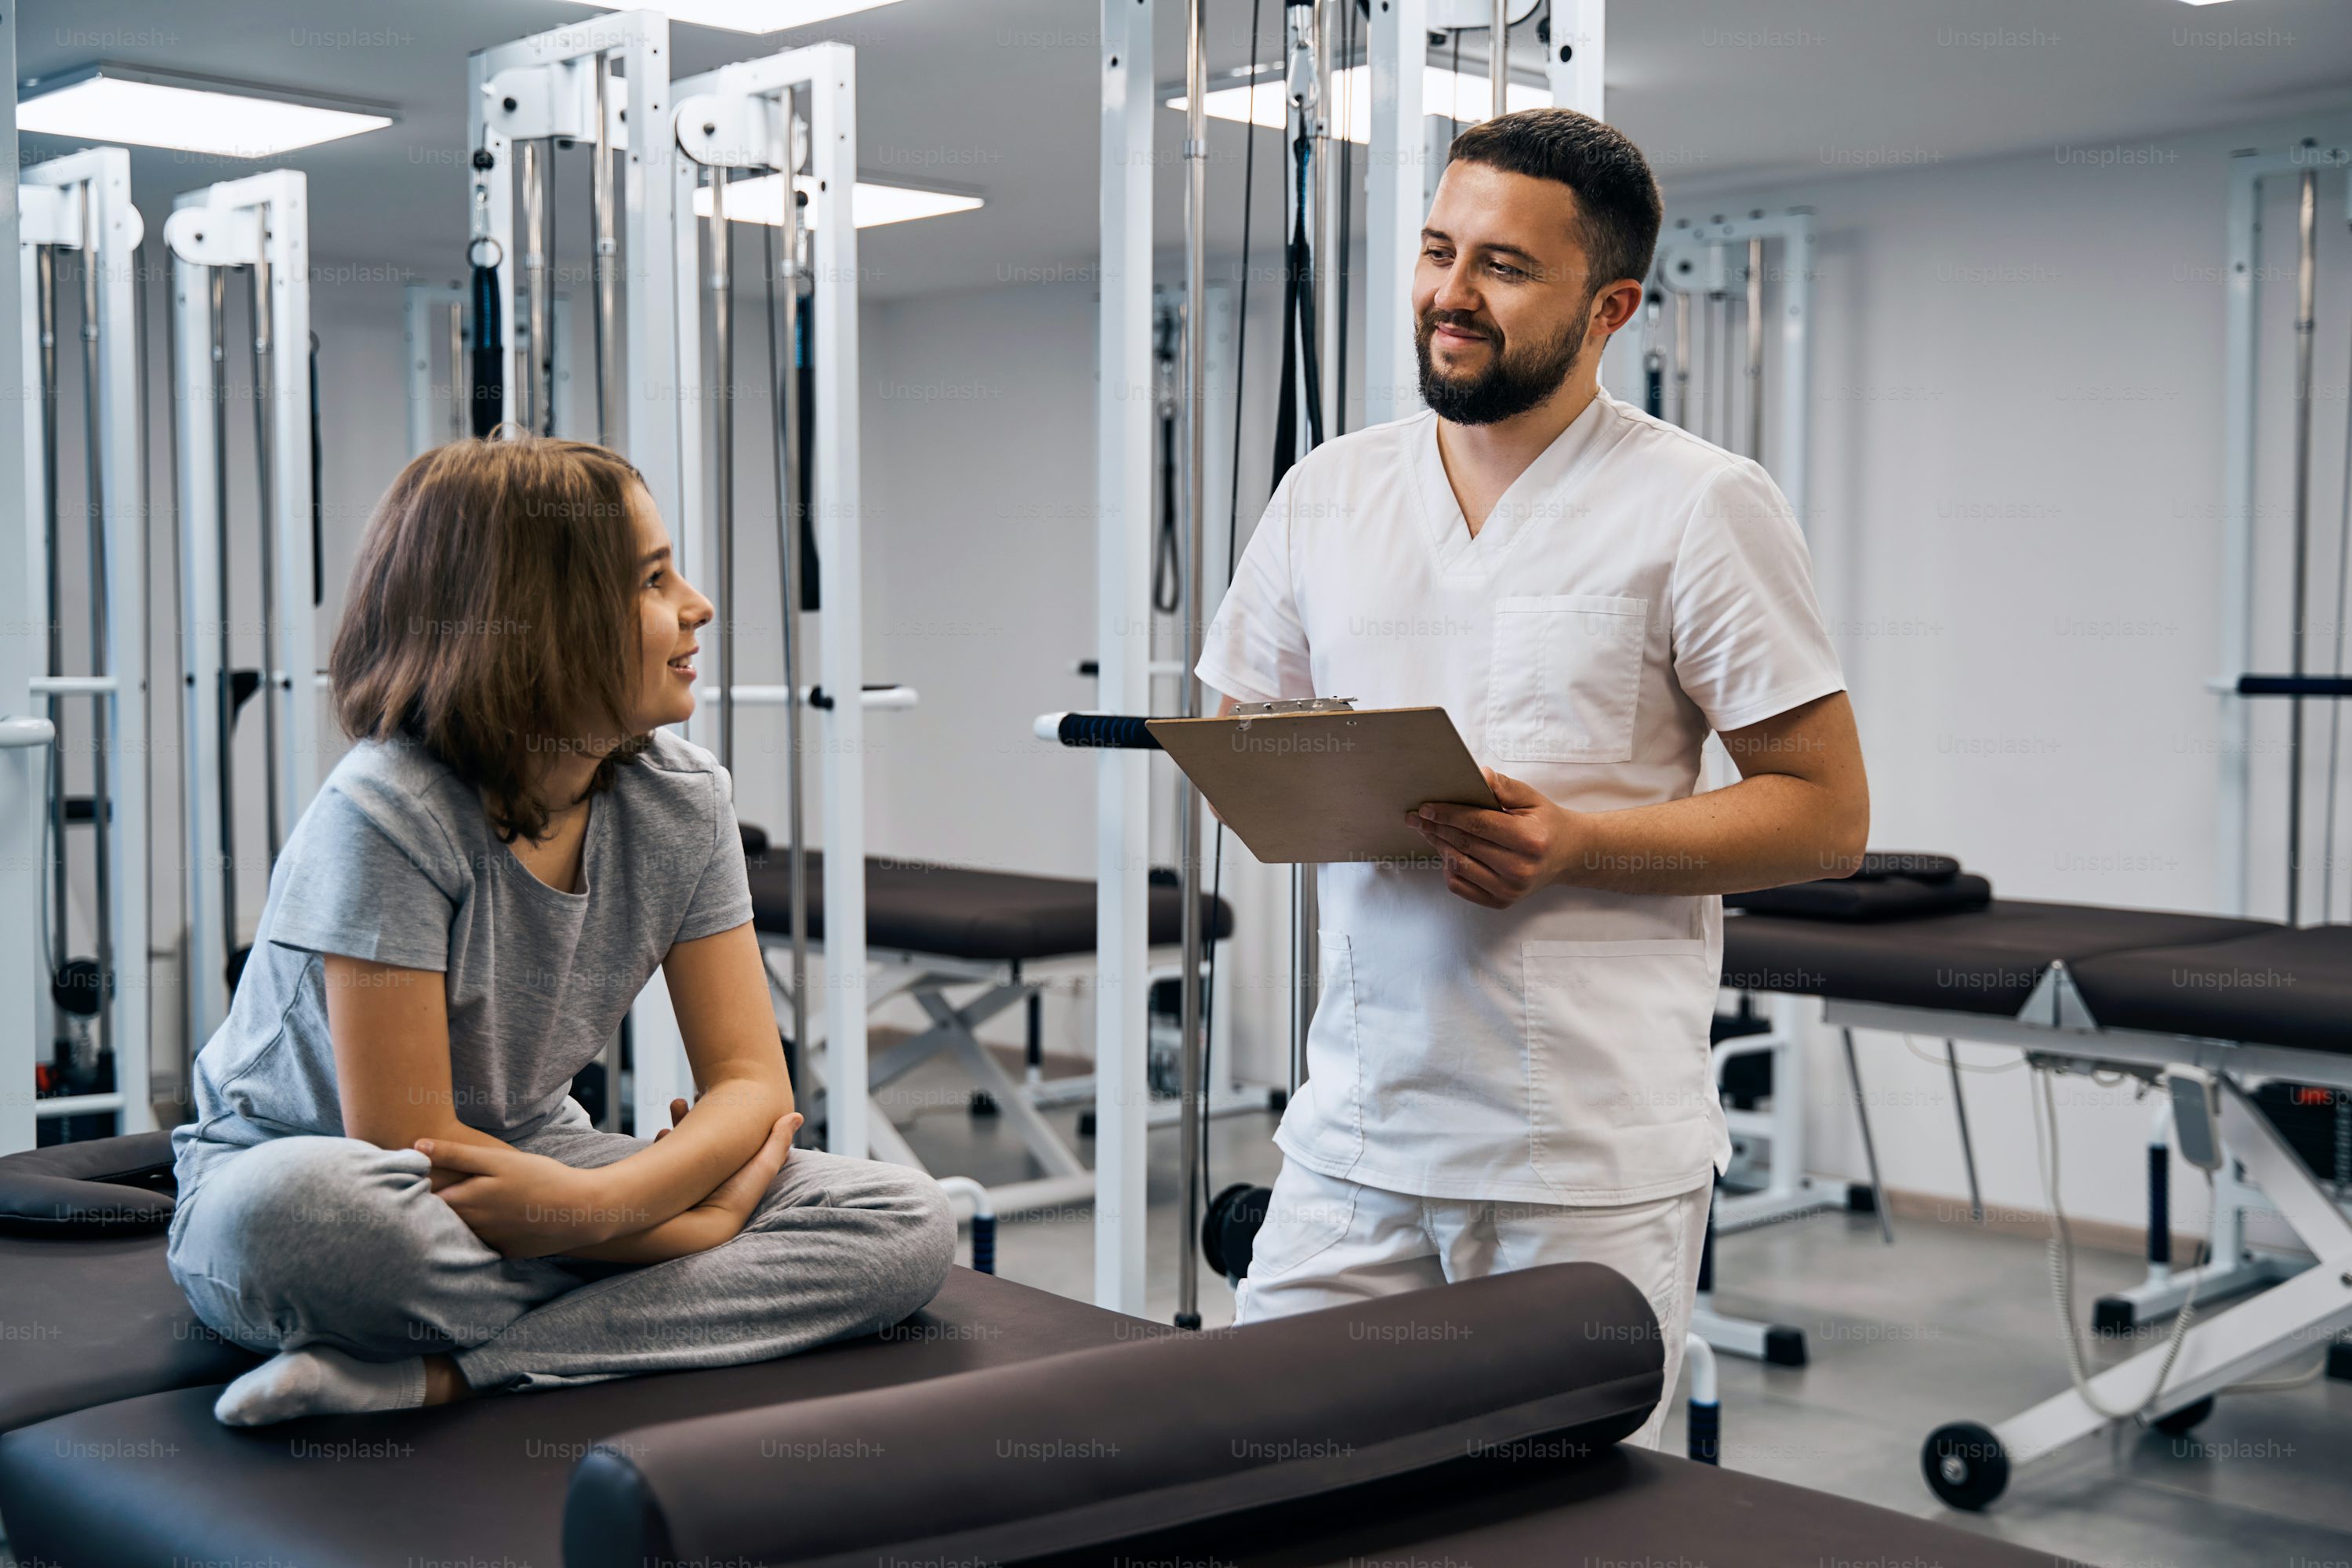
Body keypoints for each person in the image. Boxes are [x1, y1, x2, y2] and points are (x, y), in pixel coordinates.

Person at [1198, 108, 1867, 1448]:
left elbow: (1824, 814)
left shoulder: (1699, 502)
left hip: (1583, 1157)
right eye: (1439, 251)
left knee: (1552, 1526)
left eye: (1502, 267)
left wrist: (1578, 846)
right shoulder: (1329, 491)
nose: (1450, 294)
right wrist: (1323, 772)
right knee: (1253, 1473)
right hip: (1355, 1133)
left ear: (1610, 304)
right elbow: (1242, 725)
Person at [167, 435, 954, 1427]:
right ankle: (654, 1308)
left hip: (541, 1167)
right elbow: (416, 1151)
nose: (698, 605)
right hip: (350, 1181)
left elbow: (754, 1084)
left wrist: (592, 1206)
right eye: (655, 578)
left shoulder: (683, 801)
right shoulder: (386, 812)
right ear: (537, 623)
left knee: (904, 1220)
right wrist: (692, 1225)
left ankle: (452, 1371)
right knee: (304, 1222)